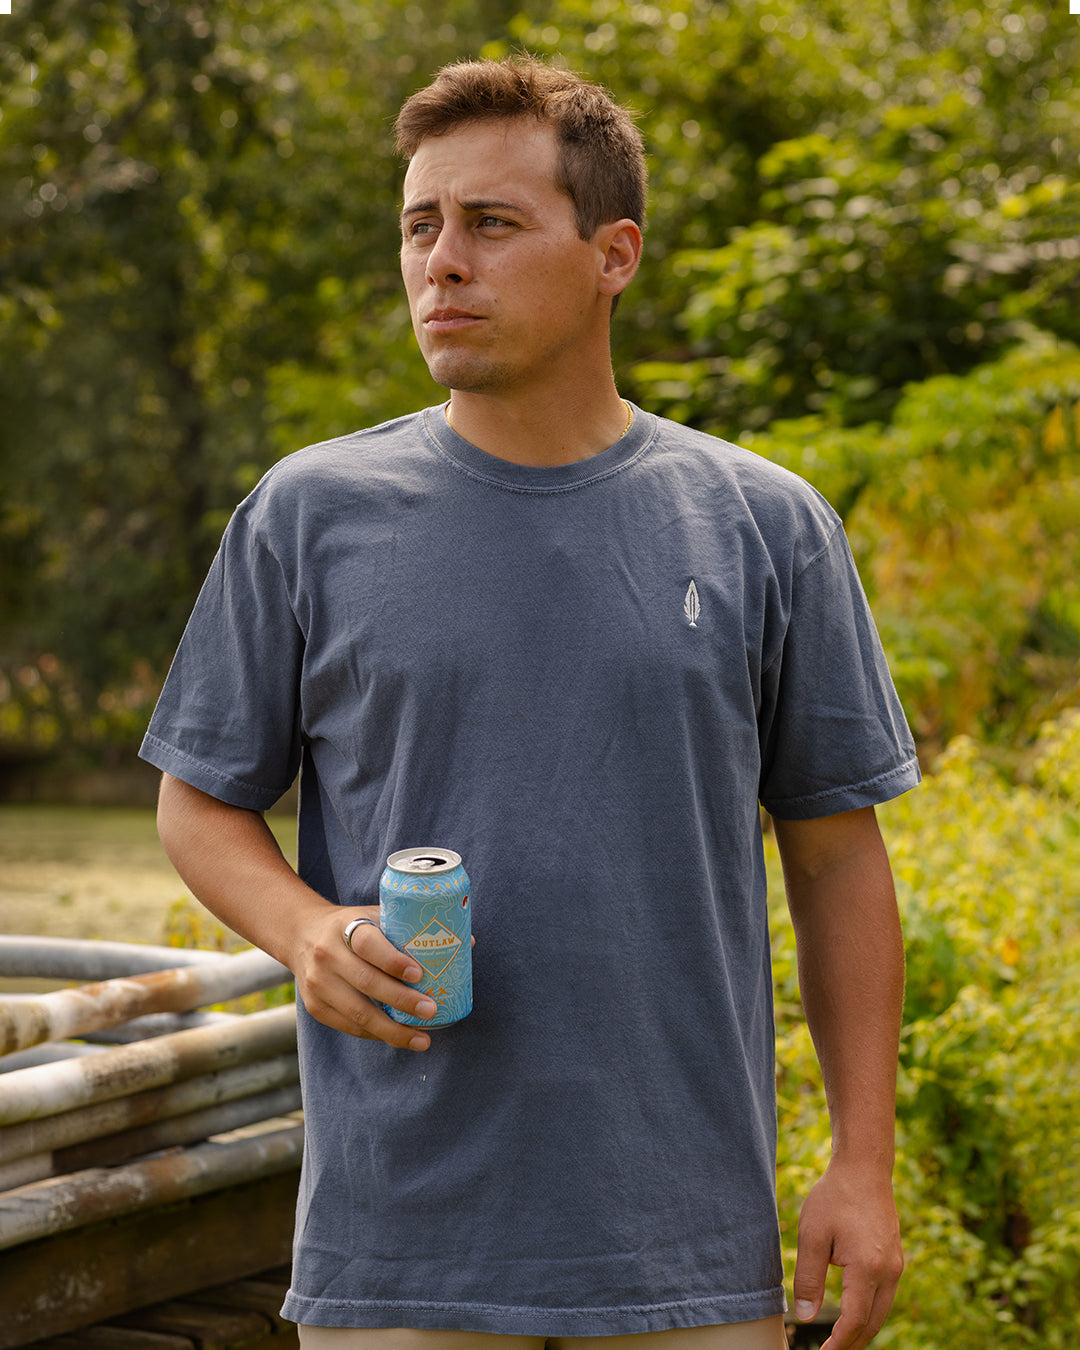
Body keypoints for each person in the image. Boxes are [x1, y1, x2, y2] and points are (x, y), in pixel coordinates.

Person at [142, 56, 919, 1350]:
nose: (441, 262)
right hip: (397, 1252)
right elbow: (197, 799)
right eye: (420, 225)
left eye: (491, 224)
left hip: (683, 1247)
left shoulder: (761, 525)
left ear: (613, 254)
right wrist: (305, 928)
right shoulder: (307, 516)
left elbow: (838, 857)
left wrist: (865, 1163)